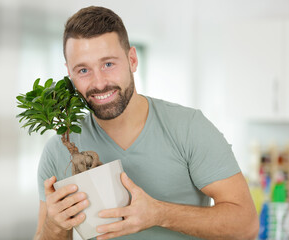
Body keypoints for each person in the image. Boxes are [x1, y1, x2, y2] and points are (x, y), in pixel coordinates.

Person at [34, 6, 259, 240]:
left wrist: (159, 214)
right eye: (83, 70)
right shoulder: (57, 151)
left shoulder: (189, 128)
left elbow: (246, 225)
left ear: (132, 59)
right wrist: (55, 226)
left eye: (108, 64)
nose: (99, 83)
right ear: (70, 74)